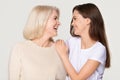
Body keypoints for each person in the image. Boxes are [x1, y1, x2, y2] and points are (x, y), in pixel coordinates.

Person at [9, 5, 66, 80]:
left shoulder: (59, 49)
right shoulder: (20, 48)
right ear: (42, 20)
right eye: (55, 18)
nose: (59, 23)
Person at [55, 3, 111, 80]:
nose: (72, 23)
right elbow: (56, 51)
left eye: (75, 19)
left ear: (87, 21)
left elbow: (77, 78)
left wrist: (63, 55)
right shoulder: (72, 42)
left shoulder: (99, 49)